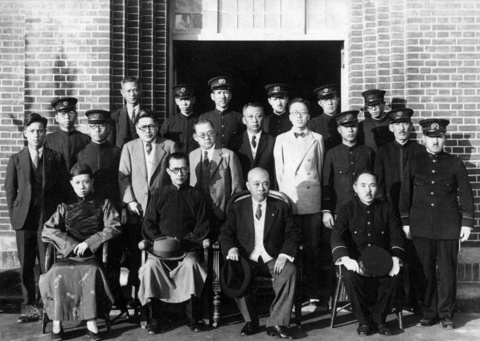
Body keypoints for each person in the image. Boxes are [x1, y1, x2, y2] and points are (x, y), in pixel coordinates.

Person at [399, 119, 474, 330]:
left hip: (448, 226)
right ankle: (428, 312)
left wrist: (466, 223)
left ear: (444, 139)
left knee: (447, 272)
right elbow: (406, 195)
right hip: (421, 226)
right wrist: (406, 222)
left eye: (439, 137)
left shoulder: (454, 162)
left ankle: (446, 313)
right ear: (423, 139)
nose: (435, 141)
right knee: (425, 271)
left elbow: (466, 196)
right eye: (431, 137)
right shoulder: (414, 162)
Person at [40, 162, 121, 341]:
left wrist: (89, 242)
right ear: (71, 183)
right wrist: (70, 244)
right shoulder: (64, 206)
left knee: (91, 271)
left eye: (85, 182)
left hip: (91, 256)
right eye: (77, 183)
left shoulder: (104, 203)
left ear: (92, 182)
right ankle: (57, 321)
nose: (82, 187)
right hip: (67, 256)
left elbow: (114, 226)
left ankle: (91, 320)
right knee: (55, 272)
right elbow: (47, 230)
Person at [219, 167, 302, 339]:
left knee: (289, 270)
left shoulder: (280, 206)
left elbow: (293, 234)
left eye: (265, 183)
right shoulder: (238, 207)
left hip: (272, 258)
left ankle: (277, 323)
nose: (261, 188)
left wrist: (283, 255)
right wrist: (231, 248)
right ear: (248, 185)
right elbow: (225, 233)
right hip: (247, 260)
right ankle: (251, 321)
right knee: (234, 272)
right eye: (256, 184)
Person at [5, 113, 69, 323]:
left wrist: (58, 219)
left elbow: (62, 190)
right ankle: (28, 307)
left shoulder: (55, 157)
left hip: (47, 220)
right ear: (25, 133)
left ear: (45, 133)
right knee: (25, 265)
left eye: (40, 130)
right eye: (32, 131)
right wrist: (16, 215)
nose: (36, 135)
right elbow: (10, 190)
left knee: (47, 263)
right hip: (24, 220)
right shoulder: (16, 159)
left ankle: (47, 307)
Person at [138, 152, 210, 334]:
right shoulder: (158, 194)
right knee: (150, 268)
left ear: (188, 171)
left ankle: (193, 318)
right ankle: (154, 319)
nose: (180, 173)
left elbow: (203, 226)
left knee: (191, 265)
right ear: (169, 172)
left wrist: (184, 243)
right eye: (175, 170)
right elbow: (149, 224)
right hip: (160, 251)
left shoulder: (197, 195)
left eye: (184, 169)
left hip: (187, 250)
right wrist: (162, 243)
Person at [331, 171, 405, 336]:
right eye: (363, 185)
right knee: (349, 276)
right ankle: (363, 321)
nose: (368, 190)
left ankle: (380, 320)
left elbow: (397, 236)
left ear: (377, 188)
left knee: (395, 274)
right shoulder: (347, 210)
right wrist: (345, 258)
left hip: (381, 259)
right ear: (355, 188)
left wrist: (395, 258)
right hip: (356, 260)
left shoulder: (387, 209)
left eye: (372, 185)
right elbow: (336, 236)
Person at [118, 110, 178, 298]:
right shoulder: (129, 147)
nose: (148, 130)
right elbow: (123, 177)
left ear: (158, 127)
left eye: (151, 126)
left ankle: (163, 295)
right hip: (138, 209)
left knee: (161, 250)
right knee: (137, 253)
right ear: (136, 129)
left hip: (163, 209)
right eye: (143, 127)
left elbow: (175, 175)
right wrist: (131, 200)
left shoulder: (168, 146)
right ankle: (137, 297)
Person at [273, 98, 325, 307]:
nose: (299, 116)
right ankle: (295, 295)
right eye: (295, 113)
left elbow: (319, 170)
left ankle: (312, 293)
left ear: (309, 116)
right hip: (290, 198)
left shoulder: (318, 138)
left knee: (312, 247)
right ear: (289, 117)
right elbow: (279, 172)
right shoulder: (281, 139)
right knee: (291, 247)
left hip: (311, 200)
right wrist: (285, 195)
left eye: (303, 112)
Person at [374, 108, 426, 314]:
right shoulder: (383, 152)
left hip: (416, 213)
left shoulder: (420, 151)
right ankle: (394, 301)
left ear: (410, 126)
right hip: (391, 213)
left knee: (415, 259)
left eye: (405, 124)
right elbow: (378, 185)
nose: (402, 128)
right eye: (397, 124)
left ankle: (417, 302)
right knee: (392, 257)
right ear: (391, 127)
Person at [189, 119, 243, 237]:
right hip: (199, 212)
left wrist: (231, 212)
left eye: (210, 133)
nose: (207, 137)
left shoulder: (228, 155)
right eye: (202, 135)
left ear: (215, 133)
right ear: (195, 137)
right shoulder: (191, 156)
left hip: (221, 211)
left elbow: (237, 188)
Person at [322, 110, 375, 227]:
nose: (350, 131)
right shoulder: (332, 154)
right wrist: (326, 210)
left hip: (365, 210)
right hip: (340, 211)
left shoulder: (368, 152)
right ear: (339, 130)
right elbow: (326, 183)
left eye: (353, 126)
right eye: (346, 127)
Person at [77, 109, 122, 207]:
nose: (97, 130)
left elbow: (121, 181)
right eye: (93, 126)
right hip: (89, 206)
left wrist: (122, 206)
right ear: (89, 128)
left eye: (101, 126)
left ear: (108, 128)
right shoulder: (81, 154)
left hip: (112, 204)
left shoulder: (117, 152)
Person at [230, 102, 276, 186]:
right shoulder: (235, 142)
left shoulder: (272, 141)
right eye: (250, 117)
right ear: (244, 120)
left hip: (265, 188)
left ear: (264, 118)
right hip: (243, 189)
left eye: (259, 116)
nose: (255, 120)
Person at [45, 97, 91, 171]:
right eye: (63, 114)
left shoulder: (86, 140)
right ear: (56, 117)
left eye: (71, 113)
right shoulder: (48, 140)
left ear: (76, 115)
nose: (67, 117)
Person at [199, 76, 243, 149]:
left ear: (230, 96)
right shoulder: (204, 117)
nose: (222, 96)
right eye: (219, 93)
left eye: (225, 92)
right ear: (212, 96)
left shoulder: (238, 117)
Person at [161, 84, 200, 154]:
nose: (184, 103)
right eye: (181, 100)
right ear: (176, 101)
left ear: (193, 100)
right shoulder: (169, 122)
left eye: (187, 99)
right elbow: (163, 144)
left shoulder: (200, 120)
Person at [108, 77, 142, 149]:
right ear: (122, 93)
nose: (132, 94)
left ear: (140, 91)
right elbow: (110, 144)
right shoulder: (114, 117)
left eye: (135, 90)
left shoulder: (149, 114)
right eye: (128, 91)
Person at [307, 84, 342, 151]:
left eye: (332, 99)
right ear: (320, 103)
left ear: (337, 100)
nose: (330, 103)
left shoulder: (343, 119)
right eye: (326, 100)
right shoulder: (314, 123)